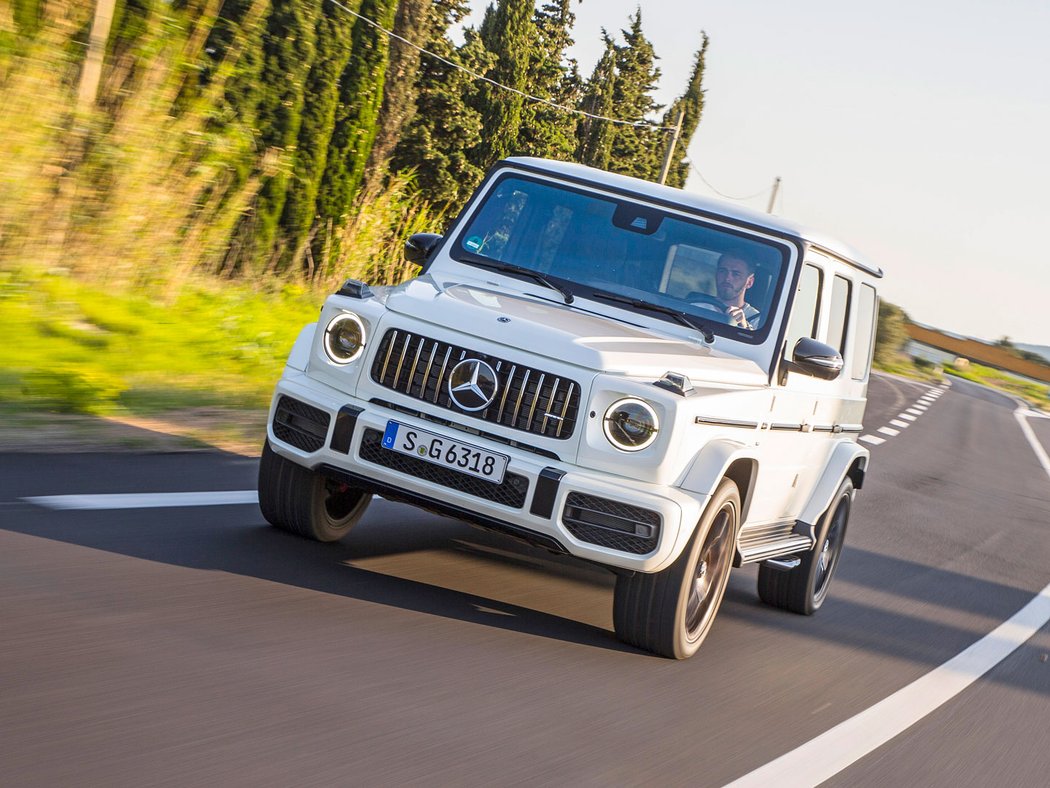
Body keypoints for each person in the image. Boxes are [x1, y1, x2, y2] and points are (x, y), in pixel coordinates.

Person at [694, 253, 761, 329]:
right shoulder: (696, 307)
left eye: (736, 274)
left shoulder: (757, 321)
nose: (727, 278)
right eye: (723, 271)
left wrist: (745, 327)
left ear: (749, 282)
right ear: (716, 274)